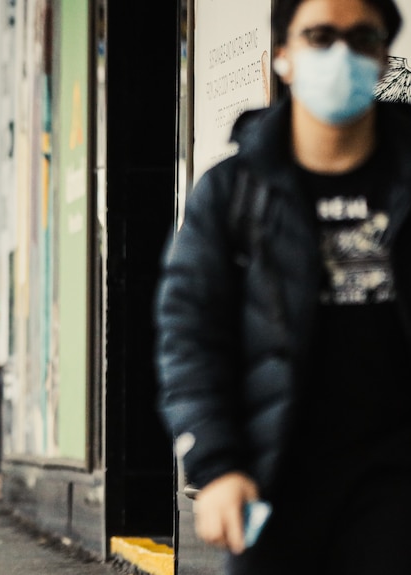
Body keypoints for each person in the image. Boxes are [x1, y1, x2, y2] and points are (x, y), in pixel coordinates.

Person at [154, 1, 411, 574]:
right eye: (320, 36)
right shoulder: (232, 192)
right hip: (274, 475)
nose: (340, 54)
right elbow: (191, 333)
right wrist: (216, 465)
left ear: (383, 55)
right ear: (284, 54)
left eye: (361, 37)